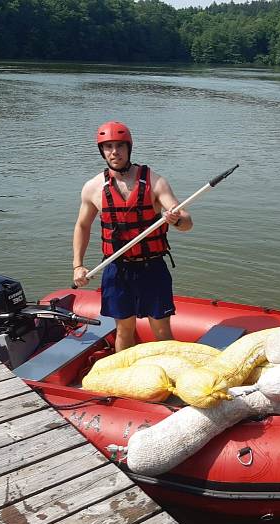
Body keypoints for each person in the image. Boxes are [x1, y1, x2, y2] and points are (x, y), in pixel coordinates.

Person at [72, 121, 192, 351]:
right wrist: (78, 265)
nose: (114, 152)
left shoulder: (155, 182)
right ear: (102, 151)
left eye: (119, 146)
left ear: (129, 148)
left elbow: (187, 223)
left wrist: (176, 218)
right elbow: (82, 226)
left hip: (152, 268)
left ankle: (168, 374)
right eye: (108, 147)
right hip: (117, 268)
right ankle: (125, 380)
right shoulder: (93, 187)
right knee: (123, 330)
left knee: (161, 330)